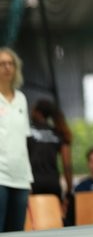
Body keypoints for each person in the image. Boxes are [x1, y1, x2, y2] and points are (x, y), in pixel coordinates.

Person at [0, 48, 33, 232]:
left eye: (10, 63)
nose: (7, 67)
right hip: (0, 175)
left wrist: (28, 178)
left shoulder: (21, 99)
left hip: (20, 176)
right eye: (2, 63)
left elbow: (23, 141)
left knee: (17, 231)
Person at [28, 99, 73, 219]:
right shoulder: (59, 133)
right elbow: (67, 165)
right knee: (53, 220)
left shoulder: (27, 131)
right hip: (53, 183)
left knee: (33, 221)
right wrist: (69, 190)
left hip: (32, 182)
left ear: (38, 112)